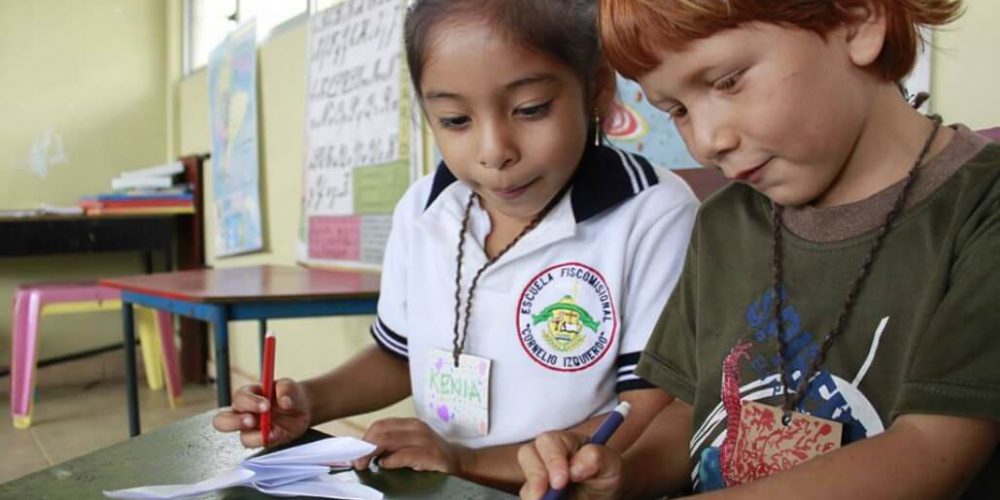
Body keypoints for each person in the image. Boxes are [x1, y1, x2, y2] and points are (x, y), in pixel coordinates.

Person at [518, 0, 1000, 498]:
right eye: (677, 111)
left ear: (858, 20)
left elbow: (927, 452)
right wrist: (624, 473)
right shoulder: (724, 222)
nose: (706, 142)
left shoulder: (983, 210)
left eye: (727, 81)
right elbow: (695, 414)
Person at [213, 0, 698, 490]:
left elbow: (650, 406)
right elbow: (398, 356)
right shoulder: (423, 209)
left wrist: (468, 459)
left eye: (530, 110)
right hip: (445, 484)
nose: (494, 152)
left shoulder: (651, 213)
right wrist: (309, 400)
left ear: (596, 89)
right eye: (455, 120)